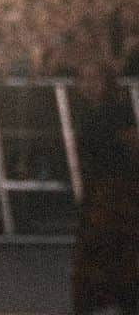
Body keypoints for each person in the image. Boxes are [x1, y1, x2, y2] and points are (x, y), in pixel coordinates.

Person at [72, 60, 139, 315]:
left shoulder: (117, 110)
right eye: (85, 79)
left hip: (116, 190)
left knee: (113, 246)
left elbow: (133, 148)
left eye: (94, 79)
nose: (88, 85)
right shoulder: (88, 111)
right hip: (96, 187)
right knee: (99, 249)